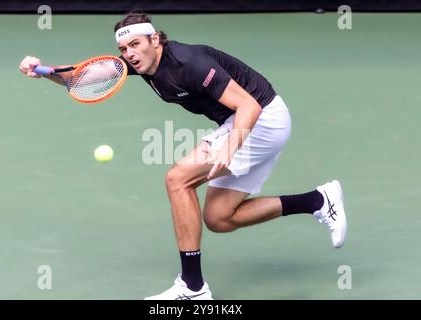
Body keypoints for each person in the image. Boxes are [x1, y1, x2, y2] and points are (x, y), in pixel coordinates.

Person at [19, 12, 347, 300]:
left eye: (135, 44)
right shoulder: (143, 64)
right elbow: (80, 78)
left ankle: (192, 287)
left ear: (155, 39)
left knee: (178, 179)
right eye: (123, 49)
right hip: (245, 122)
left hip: (261, 120)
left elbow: (249, 105)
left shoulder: (190, 64)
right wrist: (42, 70)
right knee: (219, 218)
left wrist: (231, 146)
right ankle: (317, 201)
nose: (129, 54)